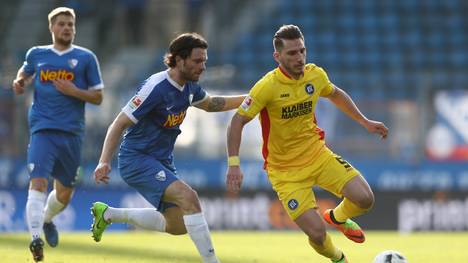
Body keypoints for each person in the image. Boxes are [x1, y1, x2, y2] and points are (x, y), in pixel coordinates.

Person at [225, 25, 388, 263]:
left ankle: (337, 217)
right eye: (292, 53)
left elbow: (334, 93)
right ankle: (339, 258)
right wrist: (234, 164)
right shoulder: (267, 87)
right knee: (317, 234)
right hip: (286, 173)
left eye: (302, 51)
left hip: (318, 155)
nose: (299, 57)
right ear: (277, 56)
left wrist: (364, 121)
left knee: (365, 199)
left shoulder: (315, 75)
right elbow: (237, 121)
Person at [92, 32, 245, 263]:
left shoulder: (190, 87)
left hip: (161, 160)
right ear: (179, 59)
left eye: (204, 60)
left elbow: (212, 104)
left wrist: (253, 99)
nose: (203, 66)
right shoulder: (156, 87)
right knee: (189, 198)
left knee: (178, 225)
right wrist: (104, 161)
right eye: (197, 61)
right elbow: (119, 123)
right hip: (137, 159)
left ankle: (109, 214)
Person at [12, 7, 104, 262]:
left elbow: (98, 96)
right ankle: (34, 239)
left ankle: (47, 219)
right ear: (51, 28)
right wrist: (20, 81)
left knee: (64, 194)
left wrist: (74, 91)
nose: (67, 28)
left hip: (72, 134)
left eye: (70, 24)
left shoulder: (86, 58)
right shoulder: (37, 54)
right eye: (62, 24)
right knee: (38, 182)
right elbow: (25, 71)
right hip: (42, 130)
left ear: (75, 28)